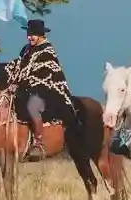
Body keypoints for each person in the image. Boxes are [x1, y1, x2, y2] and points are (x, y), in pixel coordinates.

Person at [5, 19, 83, 160]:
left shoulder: (47, 50)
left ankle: (38, 141)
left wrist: (20, 84)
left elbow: (43, 75)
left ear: (41, 35)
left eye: (33, 34)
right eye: (28, 34)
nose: (29, 37)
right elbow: (17, 66)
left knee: (32, 105)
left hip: (49, 89)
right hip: (28, 88)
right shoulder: (26, 49)